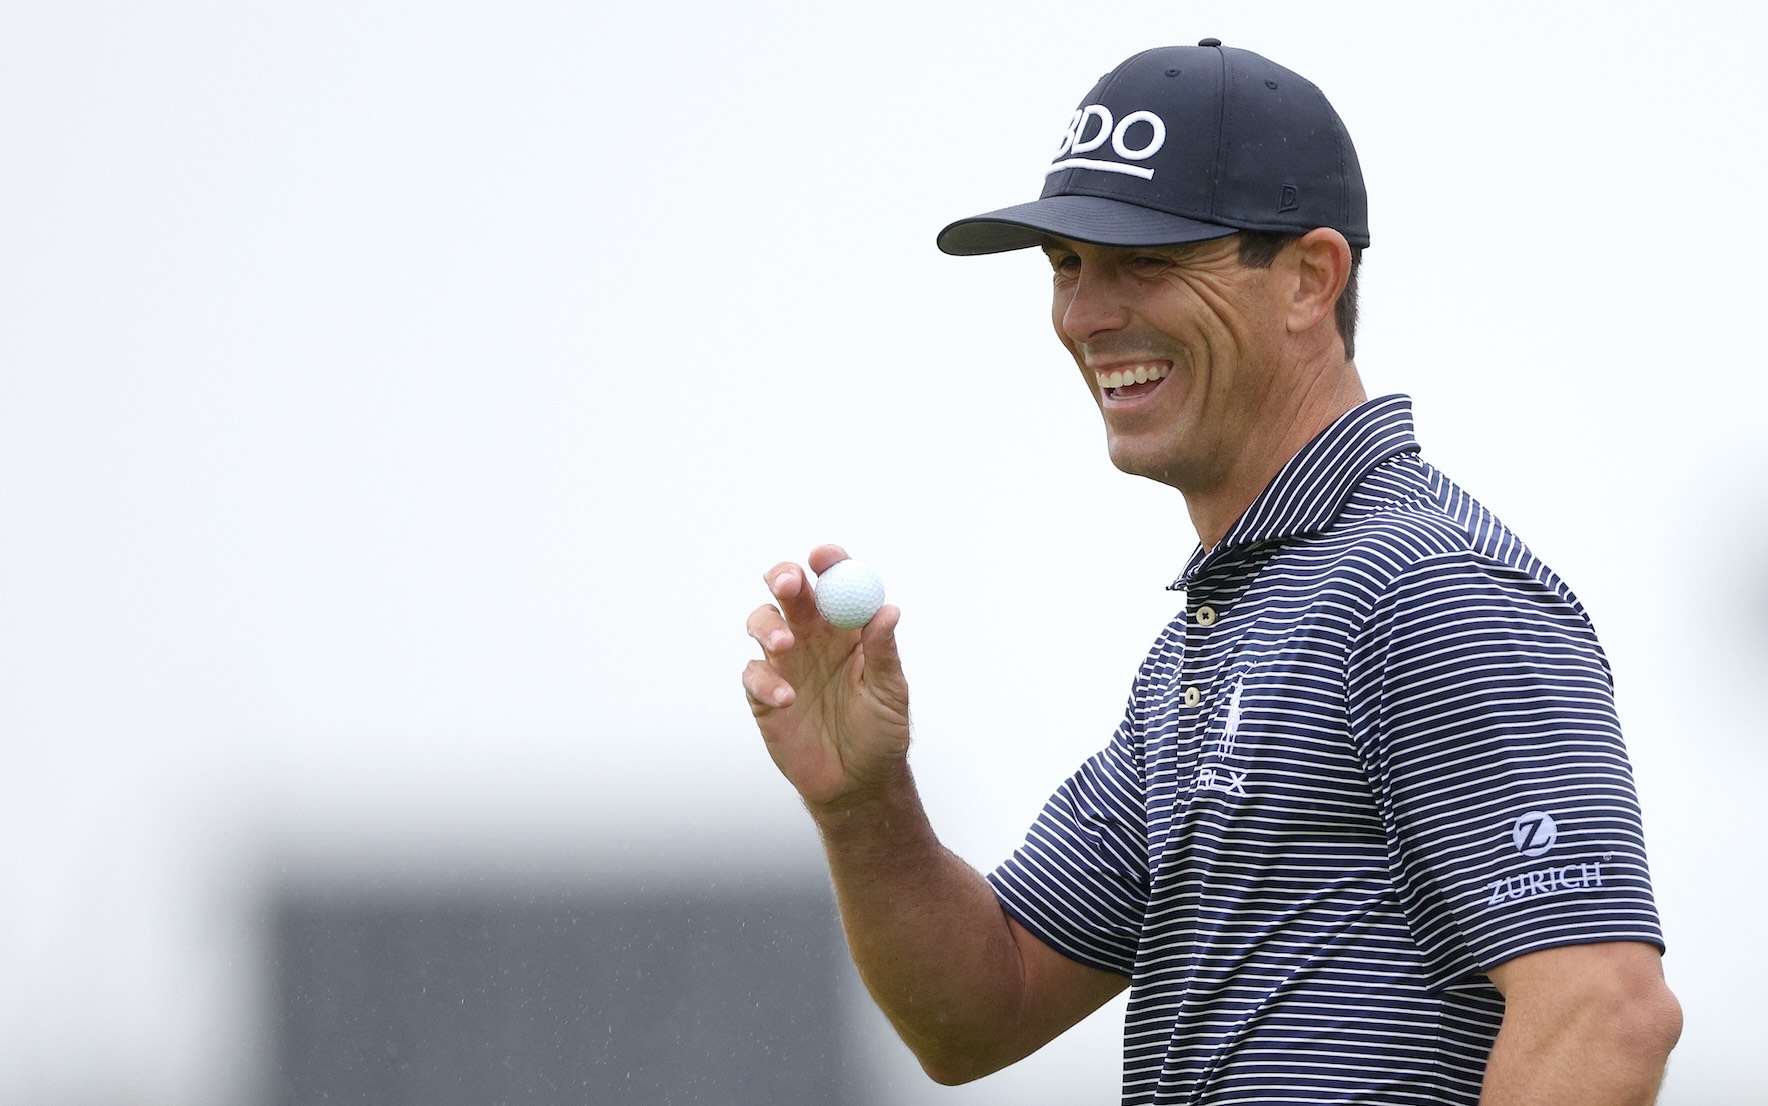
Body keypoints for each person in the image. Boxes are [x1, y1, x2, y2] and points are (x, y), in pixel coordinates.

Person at [741, 40, 1681, 1106]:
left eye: (1146, 262)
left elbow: (1604, 1010)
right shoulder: (1228, 625)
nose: (1085, 314)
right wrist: (865, 805)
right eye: (1066, 265)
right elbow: (980, 1006)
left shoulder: (1427, 588)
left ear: (1309, 279)